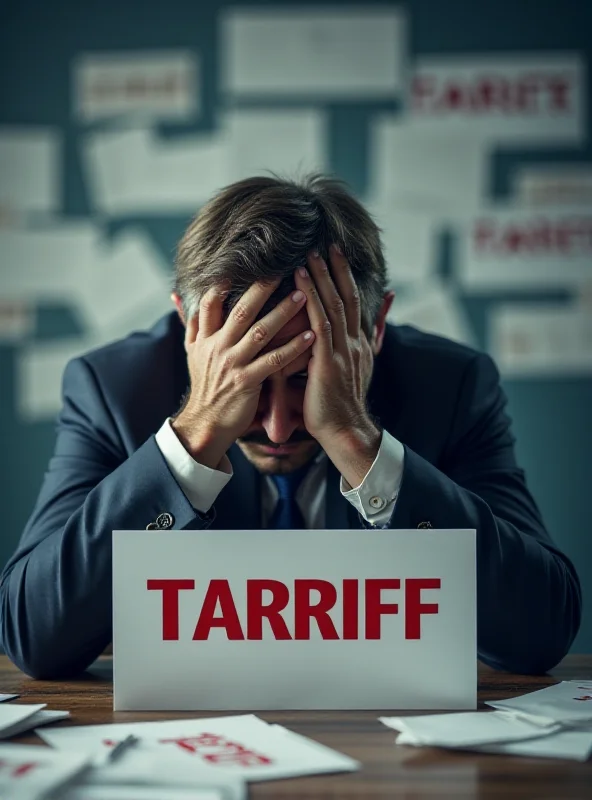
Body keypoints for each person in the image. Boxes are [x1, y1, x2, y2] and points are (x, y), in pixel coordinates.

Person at [0, 175, 581, 679]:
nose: (278, 430)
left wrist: (359, 441)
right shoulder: (113, 390)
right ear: (187, 324)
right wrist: (196, 437)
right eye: (249, 384)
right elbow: (35, 637)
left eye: (307, 381)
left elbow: (539, 634)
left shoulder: (451, 387)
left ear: (374, 327)